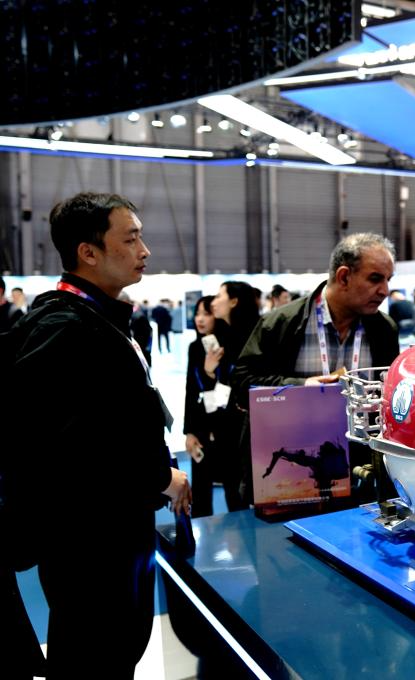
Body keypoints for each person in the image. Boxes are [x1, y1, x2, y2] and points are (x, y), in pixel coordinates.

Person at [5, 192, 190, 677]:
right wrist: (158, 477)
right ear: (88, 252)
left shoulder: (97, 319)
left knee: (118, 648)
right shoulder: (63, 327)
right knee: (93, 655)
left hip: (118, 529)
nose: (144, 250)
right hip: (87, 540)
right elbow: (69, 448)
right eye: (130, 239)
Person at [233, 233, 400, 503]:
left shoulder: (383, 329)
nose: (384, 290)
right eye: (375, 278)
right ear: (344, 277)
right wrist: (301, 389)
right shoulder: (281, 324)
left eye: (388, 280)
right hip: (293, 477)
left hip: (360, 474)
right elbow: (242, 382)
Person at [201, 281, 259, 511]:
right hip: (227, 423)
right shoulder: (221, 338)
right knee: (231, 487)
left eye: (218, 296)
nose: (214, 302)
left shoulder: (254, 336)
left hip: (249, 424)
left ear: (234, 301)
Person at [183, 295, 232, 517]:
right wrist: (189, 431)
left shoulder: (229, 345)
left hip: (225, 425)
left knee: (234, 491)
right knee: (201, 489)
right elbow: (190, 391)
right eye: (197, 313)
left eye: (206, 313)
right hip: (202, 423)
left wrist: (210, 372)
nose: (200, 319)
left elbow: (226, 391)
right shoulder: (194, 347)